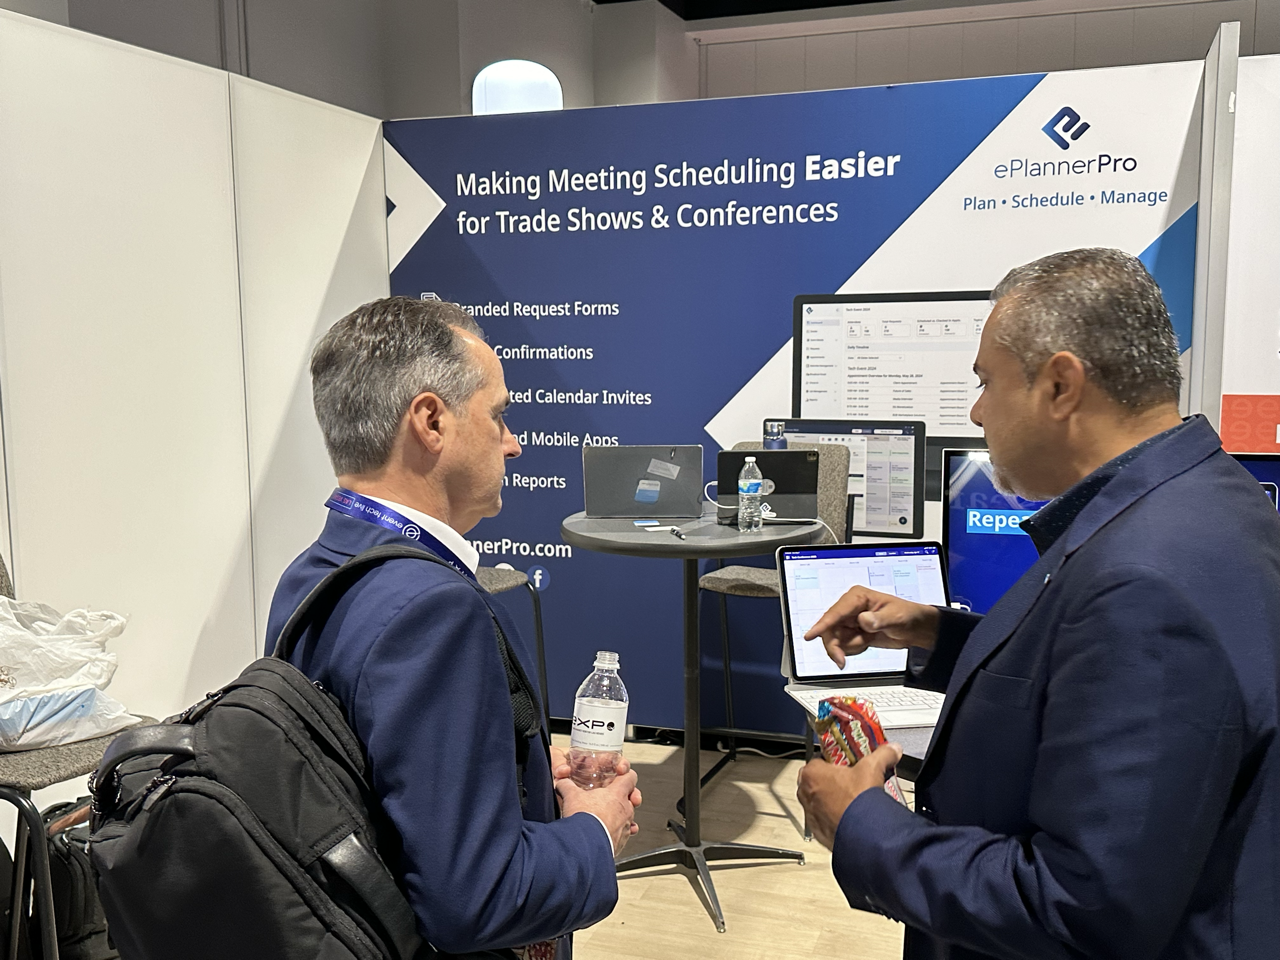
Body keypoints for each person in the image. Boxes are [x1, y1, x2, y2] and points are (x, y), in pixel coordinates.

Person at [796, 248, 1280, 959]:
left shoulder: (1145, 582)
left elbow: (1080, 909)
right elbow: (1088, 676)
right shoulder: (1204, 502)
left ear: (1060, 385)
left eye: (987, 382)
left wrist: (863, 825)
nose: (976, 410)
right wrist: (934, 632)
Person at [266, 297, 640, 959]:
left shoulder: (310, 576)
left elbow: (375, 784)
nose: (514, 441)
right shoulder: (432, 610)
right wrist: (594, 832)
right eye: (498, 415)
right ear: (431, 420)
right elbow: (476, 899)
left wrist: (511, 764)